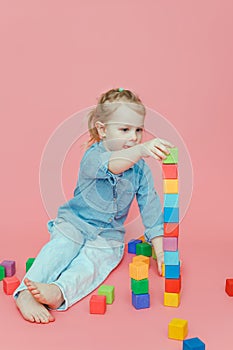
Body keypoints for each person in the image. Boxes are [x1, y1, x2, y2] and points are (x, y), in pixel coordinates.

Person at [14, 88, 174, 323]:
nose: (134, 137)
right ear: (102, 130)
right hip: (75, 222)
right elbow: (114, 165)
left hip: (108, 235)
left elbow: (150, 208)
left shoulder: (141, 171)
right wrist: (141, 150)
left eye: (138, 130)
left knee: (94, 263)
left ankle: (59, 292)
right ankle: (25, 294)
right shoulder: (93, 156)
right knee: (60, 248)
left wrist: (161, 250)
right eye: (124, 129)